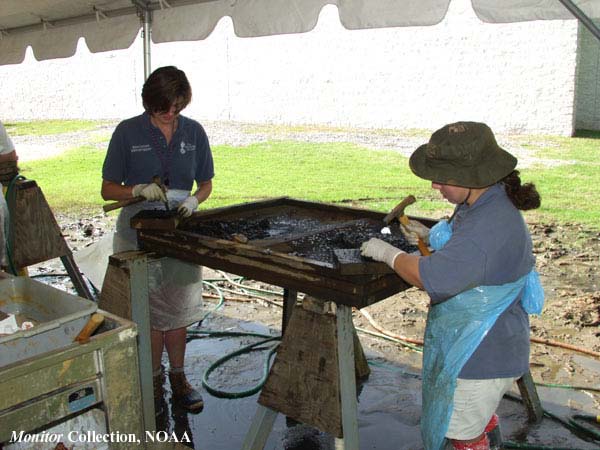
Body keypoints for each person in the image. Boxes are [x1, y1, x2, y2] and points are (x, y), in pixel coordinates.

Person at [361, 121, 543, 450]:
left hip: (482, 354)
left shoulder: (490, 227)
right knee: (474, 418)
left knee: (464, 435)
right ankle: (484, 430)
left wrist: (387, 254)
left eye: (442, 178)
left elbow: (431, 277)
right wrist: (429, 235)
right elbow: (467, 246)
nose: (434, 185)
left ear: (470, 178)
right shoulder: (486, 200)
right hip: (491, 341)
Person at [101, 66, 214, 414]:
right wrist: (136, 189)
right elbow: (107, 190)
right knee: (147, 311)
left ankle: (179, 378)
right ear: (149, 101)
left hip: (177, 229)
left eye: (176, 107)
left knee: (177, 309)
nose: (170, 114)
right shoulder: (127, 132)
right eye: (163, 108)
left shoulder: (193, 132)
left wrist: (195, 200)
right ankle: (152, 377)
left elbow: (206, 182)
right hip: (137, 230)